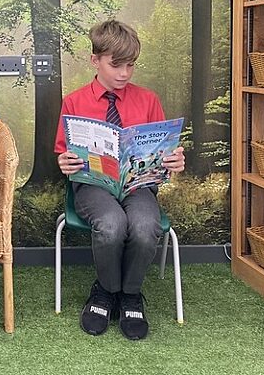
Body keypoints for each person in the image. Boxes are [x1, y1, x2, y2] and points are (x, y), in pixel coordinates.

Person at [54, 20, 185, 341]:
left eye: (131, 65)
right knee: (111, 225)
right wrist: (65, 160)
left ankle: (130, 294)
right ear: (95, 60)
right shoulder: (74, 102)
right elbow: (62, 152)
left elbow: (163, 153)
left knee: (143, 227)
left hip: (139, 186)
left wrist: (173, 162)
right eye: (116, 65)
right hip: (93, 186)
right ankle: (106, 291)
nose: (124, 73)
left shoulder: (148, 100)